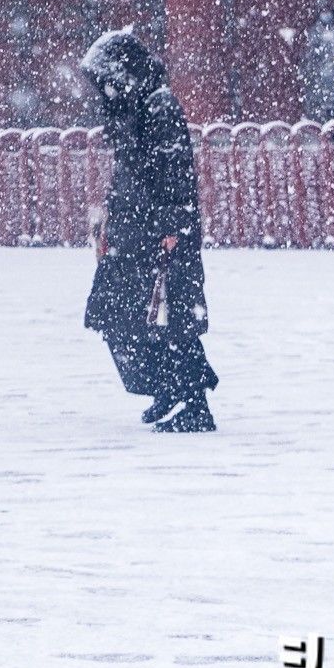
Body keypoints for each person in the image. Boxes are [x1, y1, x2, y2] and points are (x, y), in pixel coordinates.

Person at [78, 28, 219, 433]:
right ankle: (169, 388)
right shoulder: (131, 107)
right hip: (133, 231)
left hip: (161, 234)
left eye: (106, 78)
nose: (101, 89)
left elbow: (176, 173)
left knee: (171, 319)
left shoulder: (158, 106)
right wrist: (109, 216)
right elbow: (129, 173)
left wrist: (173, 226)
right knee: (121, 315)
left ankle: (195, 405)